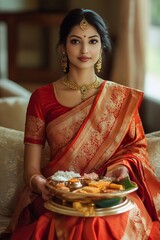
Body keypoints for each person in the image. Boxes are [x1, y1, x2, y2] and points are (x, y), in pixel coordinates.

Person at [4, 8, 160, 240]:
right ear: (64, 46)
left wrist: (122, 169)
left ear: (102, 46)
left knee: (103, 221)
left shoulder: (118, 97)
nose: (85, 50)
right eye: (76, 41)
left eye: (93, 41)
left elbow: (136, 147)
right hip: (59, 196)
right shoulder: (42, 98)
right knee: (76, 222)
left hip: (110, 196)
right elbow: (31, 170)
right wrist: (41, 185)